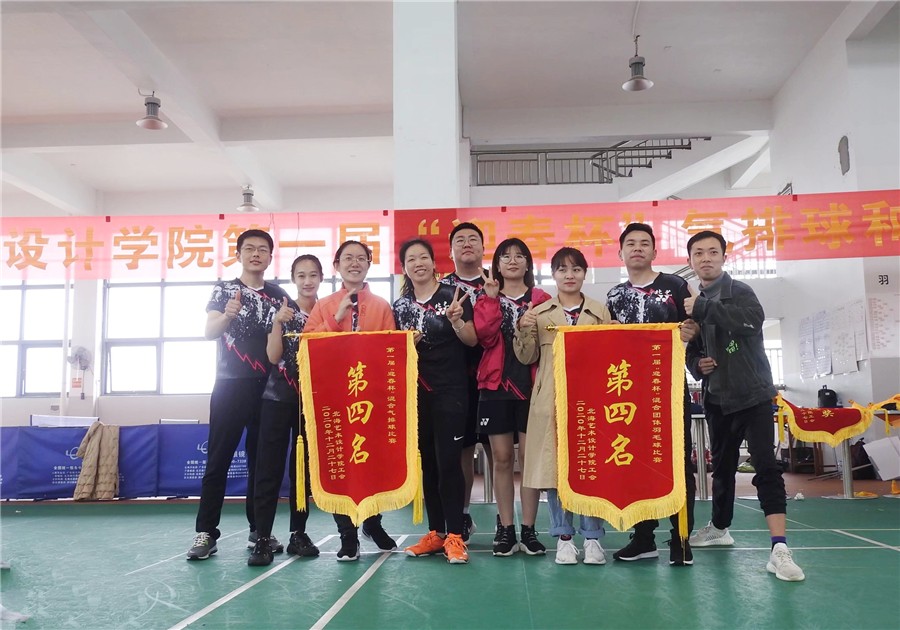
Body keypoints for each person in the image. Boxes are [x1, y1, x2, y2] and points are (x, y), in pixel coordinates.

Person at [684, 230, 805, 582]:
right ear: (691, 261)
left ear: (724, 257)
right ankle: (719, 527)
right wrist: (697, 364)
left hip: (753, 396)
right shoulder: (692, 304)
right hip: (717, 400)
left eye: (712, 252)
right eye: (698, 253)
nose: (706, 258)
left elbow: (750, 323)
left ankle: (779, 549)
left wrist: (703, 307)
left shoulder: (739, 292)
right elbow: (691, 351)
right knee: (721, 470)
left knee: (765, 466)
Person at [188, 229, 291, 561]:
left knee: (262, 464)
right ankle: (206, 532)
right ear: (239, 255)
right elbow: (209, 332)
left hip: (269, 390)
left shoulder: (279, 295)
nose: (256, 254)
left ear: (270, 257)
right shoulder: (224, 290)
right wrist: (228, 315)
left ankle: (258, 530)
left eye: (262, 249)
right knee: (218, 460)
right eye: (249, 249)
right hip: (230, 386)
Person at [605, 223, 699, 566]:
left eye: (644, 243)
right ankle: (644, 537)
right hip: (629, 391)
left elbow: (696, 325)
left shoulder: (676, 286)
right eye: (630, 243)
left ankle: (681, 537)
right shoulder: (614, 296)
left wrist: (691, 331)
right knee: (636, 461)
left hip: (668, 387)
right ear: (620, 253)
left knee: (678, 461)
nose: (637, 248)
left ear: (655, 252)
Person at [513, 247, 611, 566]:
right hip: (551, 402)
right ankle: (564, 538)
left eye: (576, 269)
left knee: (590, 468)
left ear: (585, 274)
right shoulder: (540, 313)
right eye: (563, 269)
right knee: (555, 470)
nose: (570, 275)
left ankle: (593, 538)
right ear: (553, 274)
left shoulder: (599, 312)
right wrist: (523, 327)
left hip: (590, 402)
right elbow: (526, 357)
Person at [305, 240, 398, 561]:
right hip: (334, 400)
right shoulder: (324, 305)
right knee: (340, 466)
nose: (354, 263)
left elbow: (390, 351)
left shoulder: (382, 306)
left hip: (370, 400)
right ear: (337, 265)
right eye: (348, 258)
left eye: (361, 258)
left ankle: (372, 522)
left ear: (369, 264)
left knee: (372, 464)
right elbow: (306, 344)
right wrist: (336, 317)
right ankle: (347, 534)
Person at [393, 238, 477, 564]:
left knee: (448, 463)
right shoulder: (400, 307)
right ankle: (436, 532)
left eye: (423, 257)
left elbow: (471, 340)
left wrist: (456, 321)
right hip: (417, 394)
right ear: (404, 268)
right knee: (427, 462)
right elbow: (392, 354)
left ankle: (455, 535)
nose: (418, 263)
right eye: (411, 259)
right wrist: (407, 345)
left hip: (451, 392)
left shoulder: (454, 296)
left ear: (433, 262)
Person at [474, 238, 551, 556]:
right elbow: (484, 336)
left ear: (528, 264)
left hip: (533, 389)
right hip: (495, 388)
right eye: (505, 257)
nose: (513, 261)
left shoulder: (542, 298)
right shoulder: (486, 296)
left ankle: (529, 529)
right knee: (502, 459)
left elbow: (549, 341)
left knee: (530, 461)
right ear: (497, 265)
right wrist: (492, 300)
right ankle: (506, 528)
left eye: (520, 256)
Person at [249, 255, 323, 566]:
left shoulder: (327, 311)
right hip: (277, 398)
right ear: (293, 279)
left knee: (302, 472)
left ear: (321, 278)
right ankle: (262, 537)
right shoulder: (282, 310)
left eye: (313, 275)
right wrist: (278, 322)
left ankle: (298, 534)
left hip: (311, 402)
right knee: (268, 470)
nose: (307, 281)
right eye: (301, 275)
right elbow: (272, 355)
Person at [441, 222, 493, 542]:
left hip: (496, 378)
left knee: (500, 451)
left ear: (483, 248)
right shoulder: (442, 288)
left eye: (473, 239)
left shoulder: (495, 282)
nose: (467, 244)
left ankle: (507, 522)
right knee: (462, 452)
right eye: (459, 240)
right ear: (451, 251)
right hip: (456, 380)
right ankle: (460, 516)